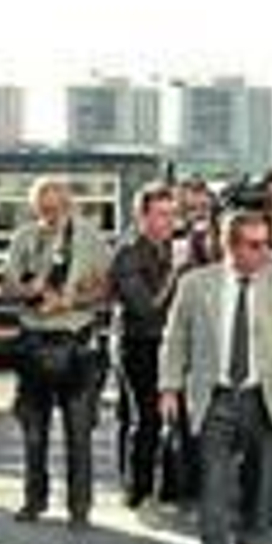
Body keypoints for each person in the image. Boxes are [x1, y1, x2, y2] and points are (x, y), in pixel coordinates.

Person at [160, 210, 272, 544]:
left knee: (260, 481)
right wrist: (169, 387)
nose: (264, 252)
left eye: (267, 243)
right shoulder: (196, 284)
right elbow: (175, 337)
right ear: (230, 245)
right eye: (254, 245)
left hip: (264, 396)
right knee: (213, 483)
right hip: (214, 397)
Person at [1, 176, 112, 526]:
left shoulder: (91, 238)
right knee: (34, 432)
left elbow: (106, 289)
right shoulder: (23, 238)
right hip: (34, 343)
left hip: (76, 343)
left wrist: (69, 301)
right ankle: (34, 500)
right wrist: (30, 292)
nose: (51, 216)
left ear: (70, 206)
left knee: (79, 434)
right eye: (44, 209)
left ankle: (79, 508)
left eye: (58, 208)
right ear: (35, 208)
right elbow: (7, 287)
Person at [110, 181, 178, 516]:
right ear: (142, 216)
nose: (169, 222)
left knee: (164, 419)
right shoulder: (128, 254)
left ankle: (158, 490)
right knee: (145, 419)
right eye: (162, 215)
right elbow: (146, 309)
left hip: (167, 344)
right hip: (138, 343)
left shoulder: (167, 250)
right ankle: (138, 494)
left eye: (172, 215)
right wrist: (175, 273)